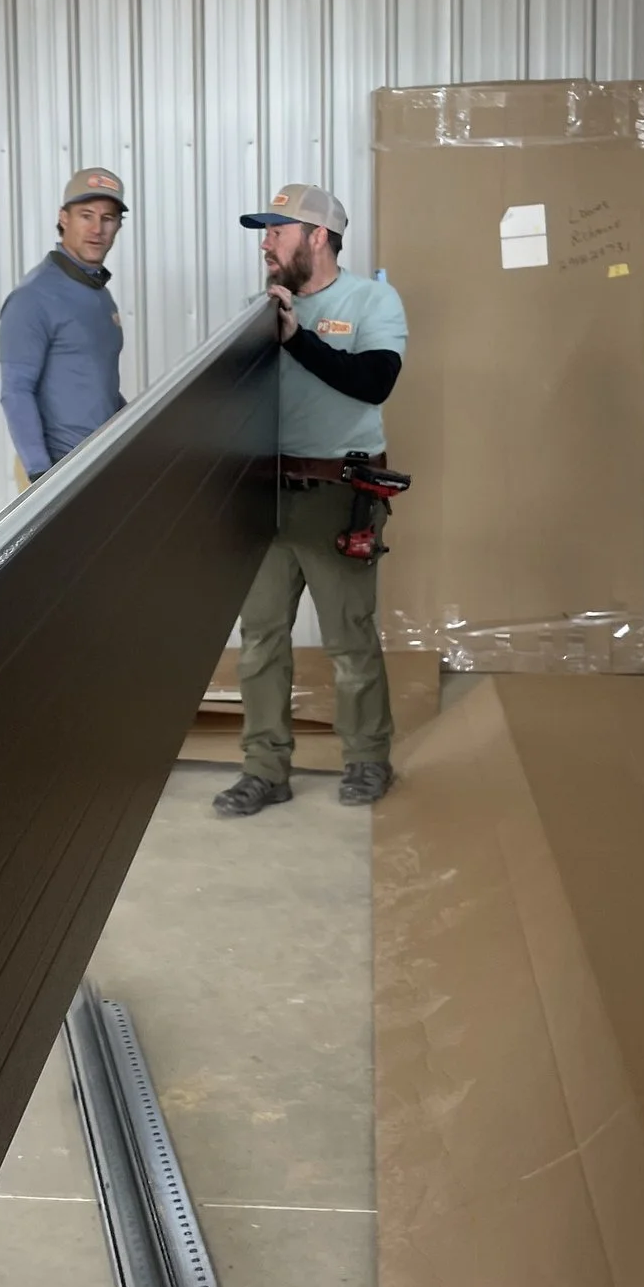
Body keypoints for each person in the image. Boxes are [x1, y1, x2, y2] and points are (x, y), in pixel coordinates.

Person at [216, 183, 409, 818]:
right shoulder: (259, 310)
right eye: (264, 233)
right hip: (266, 496)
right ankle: (264, 769)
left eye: (277, 231)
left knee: (349, 638)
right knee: (261, 639)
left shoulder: (371, 300)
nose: (265, 244)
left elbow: (373, 382)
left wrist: (297, 337)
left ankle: (368, 759)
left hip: (338, 494)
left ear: (318, 237)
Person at [0, 169, 129, 483]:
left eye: (107, 218)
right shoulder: (33, 297)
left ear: (118, 226)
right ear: (64, 218)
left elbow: (100, 384)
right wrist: (41, 475)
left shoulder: (99, 294)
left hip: (98, 464)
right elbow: (16, 391)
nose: (97, 229)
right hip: (57, 471)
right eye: (86, 215)